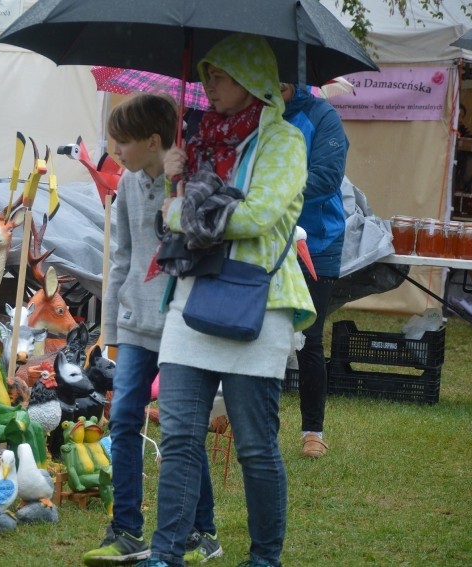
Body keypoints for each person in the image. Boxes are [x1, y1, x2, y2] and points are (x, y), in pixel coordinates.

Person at [146, 33, 316, 567]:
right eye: (204, 76)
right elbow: (177, 225)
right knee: (178, 439)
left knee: (254, 447)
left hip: (256, 300)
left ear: (251, 78)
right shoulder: (197, 144)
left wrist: (182, 212)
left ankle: (265, 558)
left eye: (217, 75)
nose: (207, 87)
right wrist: (171, 181)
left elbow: (258, 216)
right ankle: (165, 554)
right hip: (192, 298)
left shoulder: (284, 141)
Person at [83, 93, 222, 567]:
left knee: (182, 431)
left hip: (181, 323)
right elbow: (121, 257)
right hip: (135, 323)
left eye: (123, 142)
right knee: (123, 418)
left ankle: (203, 531)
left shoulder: (194, 180)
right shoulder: (124, 184)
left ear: (155, 140)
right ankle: (125, 530)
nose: (116, 151)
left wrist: (180, 193)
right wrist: (111, 329)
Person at [280, 82, 349, 458]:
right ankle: (260, 420)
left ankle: (313, 431)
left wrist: (273, 189)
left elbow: (326, 178)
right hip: (269, 237)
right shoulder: (260, 113)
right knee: (262, 334)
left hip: (317, 241)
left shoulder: (323, 116)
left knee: (309, 339)